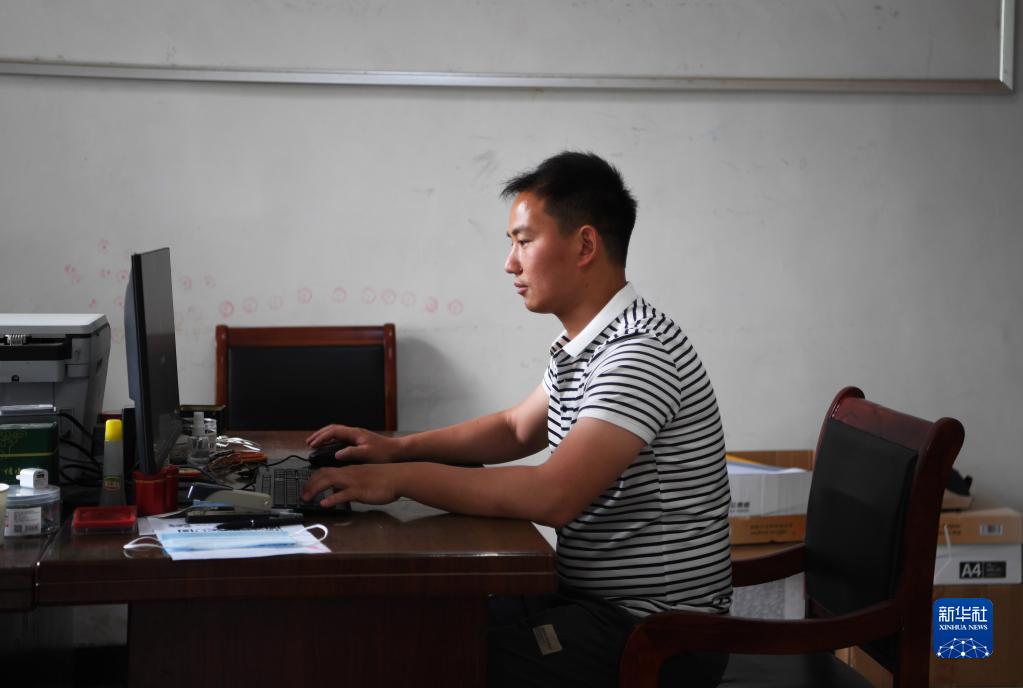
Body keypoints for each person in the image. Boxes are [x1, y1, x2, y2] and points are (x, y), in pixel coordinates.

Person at [302, 151, 732, 687]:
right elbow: (515, 429)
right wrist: (396, 448)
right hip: (592, 603)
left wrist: (397, 479)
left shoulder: (639, 354)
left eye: (524, 241)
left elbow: (552, 496)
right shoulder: (589, 344)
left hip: (655, 635)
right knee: (428, 623)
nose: (510, 263)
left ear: (585, 245)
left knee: (440, 661)